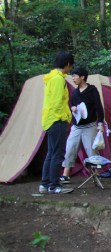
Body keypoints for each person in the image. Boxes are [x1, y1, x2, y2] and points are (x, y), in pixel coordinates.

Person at [60, 67, 105, 183]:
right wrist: (73, 108)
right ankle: (65, 175)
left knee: (92, 151)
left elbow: (98, 108)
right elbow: (72, 105)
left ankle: (96, 174)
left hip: (90, 126)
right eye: (72, 76)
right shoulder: (74, 93)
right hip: (76, 127)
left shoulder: (92, 90)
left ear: (82, 77)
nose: (73, 78)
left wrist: (100, 123)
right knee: (70, 149)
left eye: (75, 76)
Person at [40, 52, 75, 194]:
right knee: (57, 154)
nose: (71, 69)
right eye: (71, 66)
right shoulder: (58, 79)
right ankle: (54, 186)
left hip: (50, 120)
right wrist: (64, 117)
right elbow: (57, 102)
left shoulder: (52, 78)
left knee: (51, 153)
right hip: (57, 120)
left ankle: (45, 184)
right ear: (67, 64)